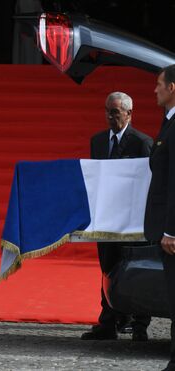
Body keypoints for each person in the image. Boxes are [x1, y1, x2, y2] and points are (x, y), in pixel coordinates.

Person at [81, 92, 153, 341]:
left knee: (135, 269)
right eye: (107, 111)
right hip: (107, 217)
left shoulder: (142, 142)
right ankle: (108, 323)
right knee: (107, 268)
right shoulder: (98, 141)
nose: (110, 117)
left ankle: (140, 324)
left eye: (116, 112)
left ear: (129, 114)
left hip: (133, 220)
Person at [144, 64, 175, 371]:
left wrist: (171, 230)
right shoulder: (168, 123)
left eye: (159, 84)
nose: (155, 89)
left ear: (172, 88)